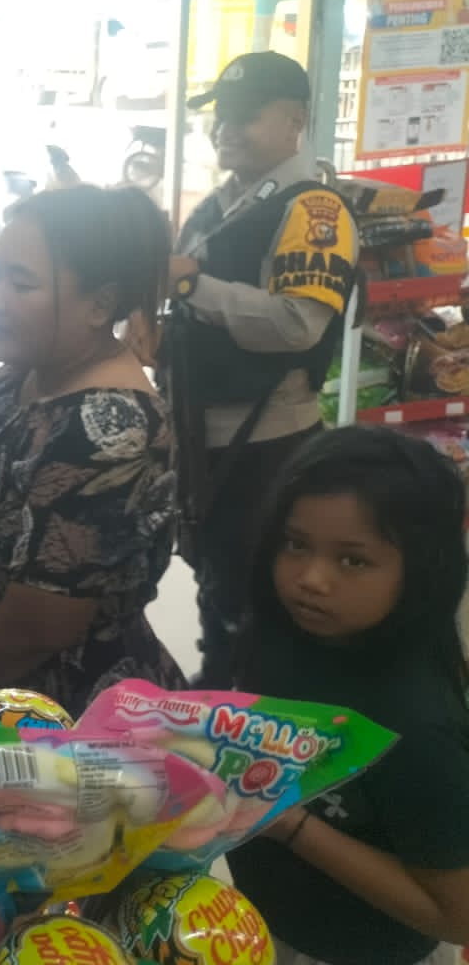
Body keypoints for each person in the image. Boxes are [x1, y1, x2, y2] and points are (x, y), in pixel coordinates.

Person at [0, 185, 184, 717]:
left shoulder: (109, 431)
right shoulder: (17, 378)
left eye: (21, 283)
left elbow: (32, 631)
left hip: (54, 716)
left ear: (100, 305)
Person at [227, 427, 469, 965]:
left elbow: (457, 915)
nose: (311, 579)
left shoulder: (416, 723)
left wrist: (290, 825)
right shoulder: (286, 637)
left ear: (420, 569)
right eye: (296, 544)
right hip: (266, 925)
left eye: (353, 560)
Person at [164, 52, 358, 686]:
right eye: (221, 115)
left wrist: (193, 287)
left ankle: (256, 715)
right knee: (217, 589)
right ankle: (219, 693)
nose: (226, 128)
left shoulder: (314, 210)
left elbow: (298, 325)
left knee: (258, 604)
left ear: (295, 120)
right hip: (202, 440)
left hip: (268, 444)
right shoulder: (220, 206)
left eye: (246, 116)